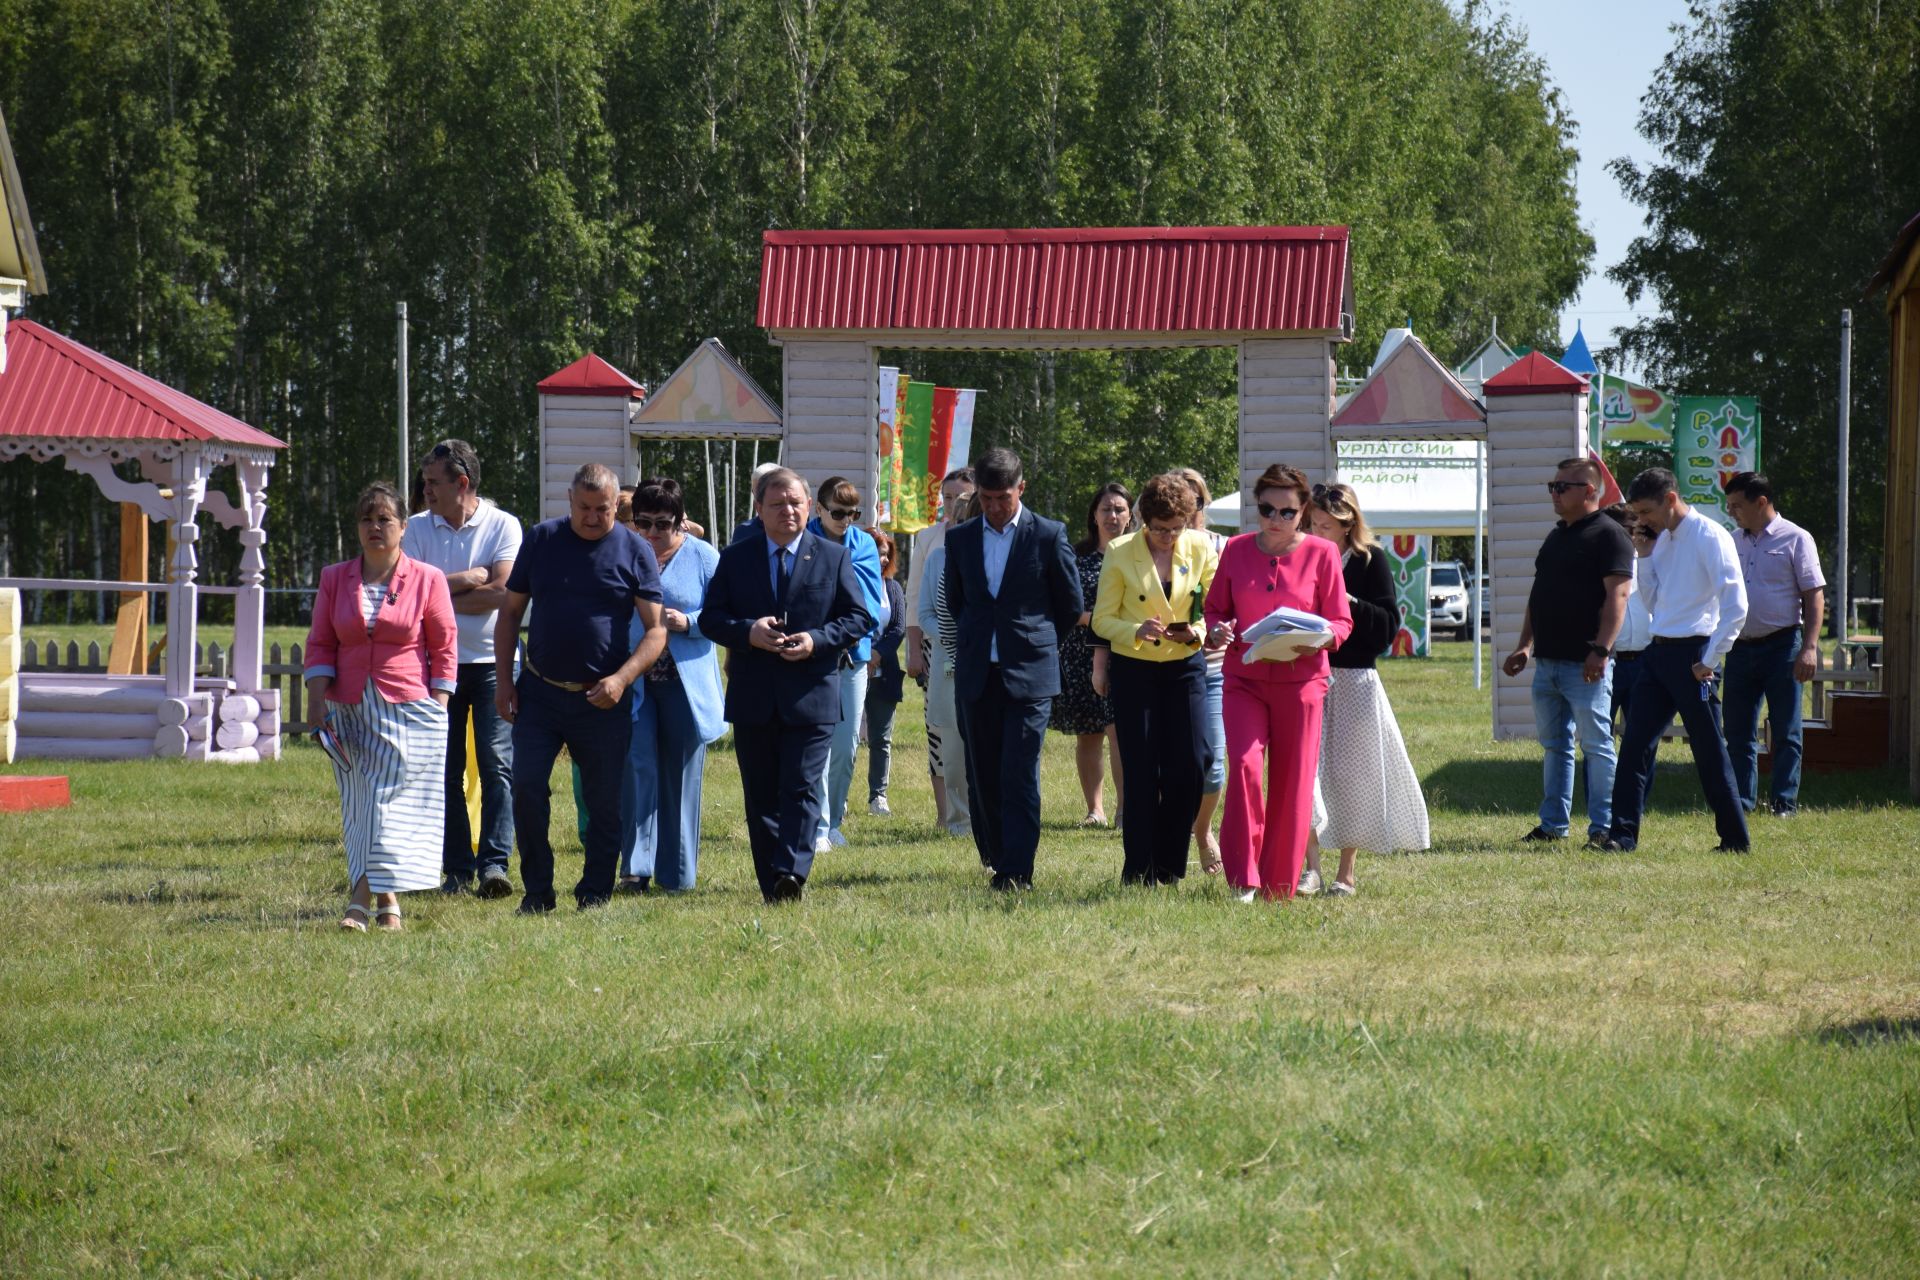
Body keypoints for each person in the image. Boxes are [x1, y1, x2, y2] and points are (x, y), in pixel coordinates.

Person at [495, 463, 666, 912]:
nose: (592, 517)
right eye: (584, 508)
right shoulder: (542, 540)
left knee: (604, 802)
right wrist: (503, 682)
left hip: (603, 698)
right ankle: (537, 891)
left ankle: (594, 892)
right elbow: (510, 613)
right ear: (569, 501)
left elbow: (656, 631)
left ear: (617, 506)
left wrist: (621, 679)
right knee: (527, 787)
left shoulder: (635, 550)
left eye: (603, 510)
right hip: (540, 691)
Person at [702, 468, 873, 902]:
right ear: (759, 510)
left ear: (809, 506)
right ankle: (772, 882)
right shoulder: (736, 557)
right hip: (754, 695)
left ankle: (792, 873)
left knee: (800, 787)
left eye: (795, 502)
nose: (788, 511)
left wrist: (817, 639)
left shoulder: (832, 556)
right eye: (777, 504)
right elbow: (711, 618)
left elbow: (858, 618)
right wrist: (748, 632)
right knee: (761, 795)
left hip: (812, 694)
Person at [304, 482, 458, 932]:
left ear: (403, 527)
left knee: (388, 805)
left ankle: (359, 899)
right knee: (361, 805)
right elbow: (320, 642)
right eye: (367, 519)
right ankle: (388, 901)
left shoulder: (427, 578)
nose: (375, 527)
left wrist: (440, 704)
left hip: (409, 709)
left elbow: (445, 645)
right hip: (348, 708)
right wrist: (316, 700)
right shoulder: (335, 578)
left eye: (385, 519)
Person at [1203, 464, 1353, 902]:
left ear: (1303, 510)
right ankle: (1244, 880)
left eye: (1286, 512)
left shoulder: (1323, 554)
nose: (1275, 519)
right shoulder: (1235, 549)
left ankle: (1279, 885)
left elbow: (1341, 622)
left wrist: (1320, 638)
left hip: (1302, 682)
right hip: (1244, 679)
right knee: (1246, 767)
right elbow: (1215, 609)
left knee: (1293, 782)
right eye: (1266, 509)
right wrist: (1218, 630)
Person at [944, 448, 1084, 891]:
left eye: (1002, 497)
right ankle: (996, 854)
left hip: (1030, 675)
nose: (994, 507)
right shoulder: (961, 538)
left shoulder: (1048, 534)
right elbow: (957, 602)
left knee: (1019, 772)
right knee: (982, 772)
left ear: (1021, 489)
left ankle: (1017, 872)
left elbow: (1070, 605)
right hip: (976, 674)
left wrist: (1032, 643)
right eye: (986, 498)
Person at [1602, 467, 1750, 854]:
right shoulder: (1660, 541)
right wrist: (1645, 556)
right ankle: (1622, 835)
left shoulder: (1710, 536)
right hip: (1659, 651)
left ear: (1670, 498)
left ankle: (1735, 839)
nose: (1641, 521)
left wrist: (1711, 659)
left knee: (1708, 749)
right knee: (1634, 746)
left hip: (1695, 655)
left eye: (1646, 511)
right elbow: (1654, 603)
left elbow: (1737, 607)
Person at [401, 439, 523, 898]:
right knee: (444, 770)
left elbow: (505, 594)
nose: (425, 489)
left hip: (494, 662)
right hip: (434, 667)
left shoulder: (504, 524)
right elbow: (408, 591)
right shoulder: (414, 528)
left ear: (462, 483)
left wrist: (438, 592)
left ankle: (494, 866)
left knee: (497, 766)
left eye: (434, 482)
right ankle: (455, 869)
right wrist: (472, 577)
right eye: (426, 481)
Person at [1298, 482, 1429, 896]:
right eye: (1313, 523)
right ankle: (1311, 868)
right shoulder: (1300, 557)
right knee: (1306, 775)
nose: (1319, 531)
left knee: (1354, 777)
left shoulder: (1371, 561)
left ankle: (1346, 871)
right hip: (1308, 676)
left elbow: (1389, 626)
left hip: (1354, 679)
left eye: (1327, 525)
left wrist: (1347, 600)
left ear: (1348, 523)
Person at [1091, 474, 1220, 885]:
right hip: (1135, 668)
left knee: (1195, 763)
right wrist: (1133, 631)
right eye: (1160, 529)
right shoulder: (1119, 551)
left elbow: (1215, 607)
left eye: (1176, 528)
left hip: (1185, 665)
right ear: (1145, 520)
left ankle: (1168, 862)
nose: (1168, 537)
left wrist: (1198, 631)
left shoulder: (1202, 547)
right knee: (1141, 769)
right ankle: (1139, 870)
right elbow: (1101, 619)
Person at [1499, 457, 1634, 847]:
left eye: (1563, 487)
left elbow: (1618, 597)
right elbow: (1538, 596)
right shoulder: (1556, 535)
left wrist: (1601, 649)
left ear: (1590, 491)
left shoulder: (1610, 535)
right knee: (1556, 746)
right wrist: (1524, 644)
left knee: (1596, 745)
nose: (1554, 494)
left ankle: (1604, 828)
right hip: (1549, 663)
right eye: (1552, 486)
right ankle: (1553, 825)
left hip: (1586, 664)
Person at [617, 478, 725, 894]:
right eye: (642, 522)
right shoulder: (624, 553)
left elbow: (723, 615)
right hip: (635, 679)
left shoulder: (703, 557)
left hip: (685, 684)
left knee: (680, 778)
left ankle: (677, 875)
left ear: (681, 521)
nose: (652, 532)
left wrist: (689, 622)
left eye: (662, 523)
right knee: (637, 768)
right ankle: (635, 870)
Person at [1722, 471, 1825, 817]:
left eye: (1737, 505)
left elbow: (1814, 596)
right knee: (1737, 729)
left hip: (1782, 645)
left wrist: (1809, 647)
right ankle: (1742, 801)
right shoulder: (1732, 541)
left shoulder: (1796, 538)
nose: (1732, 512)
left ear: (1761, 502)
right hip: (1738, 646)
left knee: (1785, 729)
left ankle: (1783, 802)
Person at [807, 476, 887, 851]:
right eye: (837, 513)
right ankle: (817, 824)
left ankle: (834, 818)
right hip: (809, 656)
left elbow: (871, 603)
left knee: (845, 746)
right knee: (814, 745)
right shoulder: (802, 539)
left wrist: (843, 632)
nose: (845, 521)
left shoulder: (865, 544)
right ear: (818, 508)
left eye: (852, 514)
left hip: (852, 655)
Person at [1054, 483, 1130, 828]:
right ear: (1094, 515)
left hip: (1126, 651)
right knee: (1089, 734)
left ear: (1131, 515)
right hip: (1080, 652)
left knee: (1120, 733)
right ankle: (1094, 809)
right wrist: (1099, 621)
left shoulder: (1138, 553)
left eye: (1119, 509)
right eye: (1106, 510)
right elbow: (1064, 604)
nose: (1112, 516)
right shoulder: (1075, 555)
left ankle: (1124, 809)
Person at [905, 467, 976, 832]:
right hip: (942, 650)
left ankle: (975, 811)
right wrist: (915, 649)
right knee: (942, 733)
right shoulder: (930, 543)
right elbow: (917, 600)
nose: (953, 506)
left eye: (961, 499)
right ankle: (948, 813)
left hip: (982, 653)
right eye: (947, 498)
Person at [1176, 467, 1230, 873]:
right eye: (1179, 495)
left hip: (1213, 670)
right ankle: (1169, 840)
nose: (1187, 503)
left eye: (1194, 496)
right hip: (1158, 667)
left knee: (1212, 765)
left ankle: (1203, 829)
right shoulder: (1148, 546)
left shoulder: (1225, 547)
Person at [926, 491, 980, 843]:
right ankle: (959, 821)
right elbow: (926, 613)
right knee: (954, 750)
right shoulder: (938, 559)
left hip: (991, 663)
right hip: (948, 662)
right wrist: (956, 642)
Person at [864, 529, 908, 816]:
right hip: (853, 669)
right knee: (845, 740)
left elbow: (898, 627)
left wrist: (878, 654)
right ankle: (836, 800)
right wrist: (863, 654)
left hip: (885, 671)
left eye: (885, 554)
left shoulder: (892, 588)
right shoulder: (849, 584)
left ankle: (878, 796)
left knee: (882, 738)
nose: (881, 559)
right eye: (875, 553)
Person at [1603, 504, 1656, 733]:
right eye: (1630, 528)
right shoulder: (1599, 563)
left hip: (1644, 659)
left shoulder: (1648, 560)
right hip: (1609, 660)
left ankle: (1639, 772)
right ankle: (1601, 772)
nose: (1635, 534)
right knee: (1600, 730)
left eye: (1637, 528)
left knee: (1643, 731)